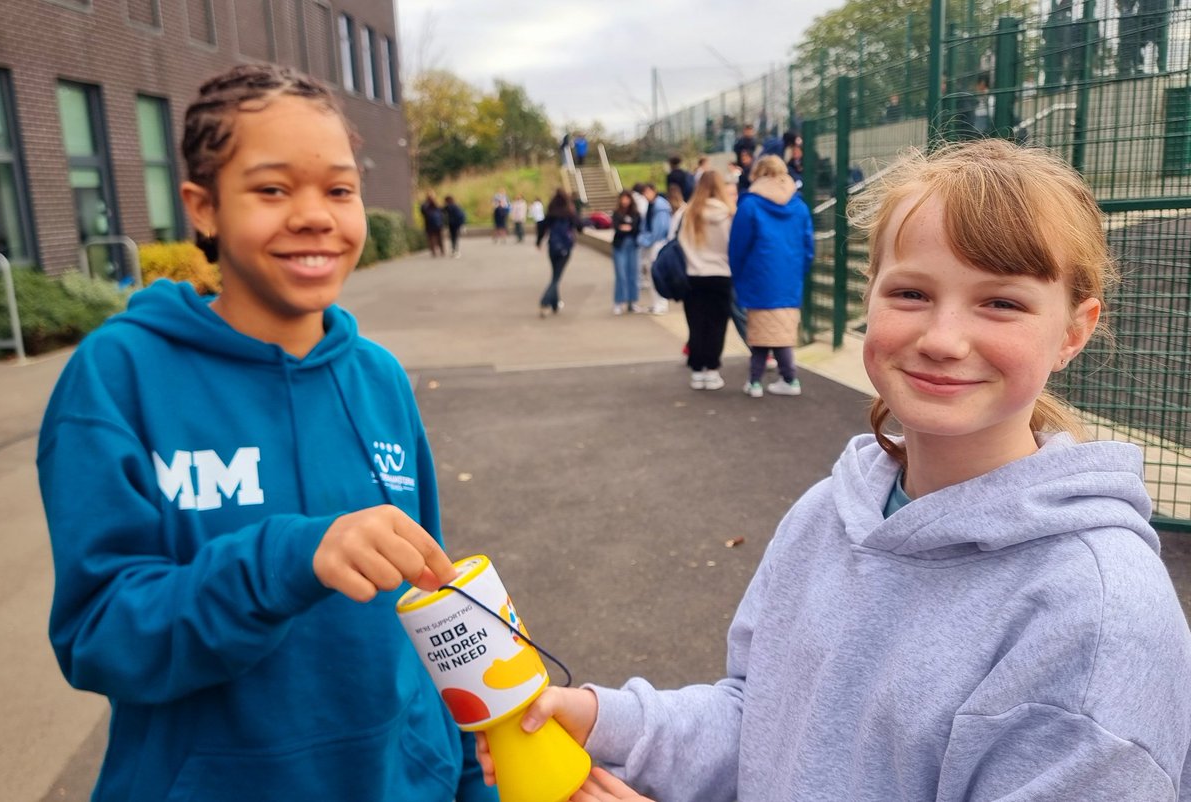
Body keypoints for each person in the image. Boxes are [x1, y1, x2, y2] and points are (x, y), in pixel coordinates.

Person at [478, 139, 1191, 801]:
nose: (942, 339)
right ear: (870, 294)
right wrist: (608, 721)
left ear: (1074, 329)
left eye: (1000, 302)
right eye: (911, 293)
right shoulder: (831, 512)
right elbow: (759, 717)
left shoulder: (1097, 622)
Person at [37, 63, 496, 802]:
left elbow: (434, 599)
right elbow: (101, 637)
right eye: (273, 189)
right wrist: (283, 559)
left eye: (339, 189)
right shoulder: (117, 377)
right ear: (203, 208)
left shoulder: (378, 378)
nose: (316, 215)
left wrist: (474, 775)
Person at [729, 155, 814, 398]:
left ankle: (756, 382)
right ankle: (788, 378)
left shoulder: (749, 205)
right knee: (783, 332)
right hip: (789, 279)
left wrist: (739, 275)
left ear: (757, 174)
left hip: (758, 279)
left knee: (759, 333)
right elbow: (808, 247)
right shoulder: (800, 206)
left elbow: (737, 247)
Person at [678, 170, 735, 391]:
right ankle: (712, 370)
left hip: (693, 275)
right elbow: (733, 245)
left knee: (696, 324)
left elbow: (680, 243)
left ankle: (696, 370)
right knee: (717, 324)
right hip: (721, 274)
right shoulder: (729, 214)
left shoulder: (689, 213)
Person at [535, 188, 583, 317]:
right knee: (556, 278)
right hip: (565, 248)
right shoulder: (569, 212)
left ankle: (555, 304)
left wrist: (538, 242)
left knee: (554, 274)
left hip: (552, 247)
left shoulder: (551, 213)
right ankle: (545, 301)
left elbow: (542, 228)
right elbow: (580, 226)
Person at [636, 183, 672, 315]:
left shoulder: (660, 207)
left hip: (657, 243)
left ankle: (661, 304)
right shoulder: (654, 205)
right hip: (652, 242)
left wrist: (646, 239)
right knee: (651, 275)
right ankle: (657, 303)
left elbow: (659, 229)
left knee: (656, 274)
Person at [610, 190, 641, 315]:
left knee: (633, 273)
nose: (625, 201)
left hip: (632, 246)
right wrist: (625, 228)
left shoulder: (635, 213)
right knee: (621, 274)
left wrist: (627, 227)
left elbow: (636, 228)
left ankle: (632, 301)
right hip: (620, 246)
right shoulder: (617, 213)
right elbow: (617, 227)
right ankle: (619, 301)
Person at [421, 191, 445, 256]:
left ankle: (434, 251)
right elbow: (442, 213)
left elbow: (423, 213)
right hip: (437, 225)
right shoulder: (436, 204)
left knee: (431, 238)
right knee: (438, 238)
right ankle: (441, 251)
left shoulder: (424, 205)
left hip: (430, 225)